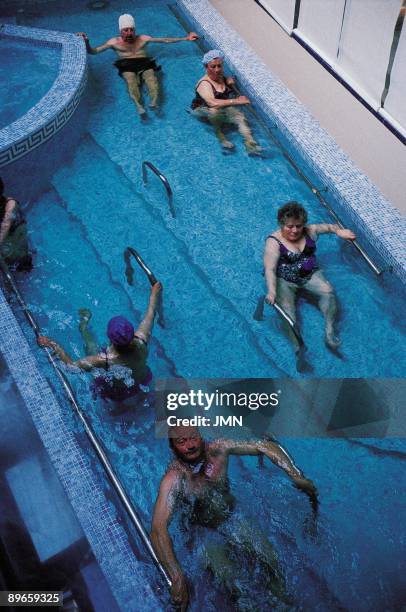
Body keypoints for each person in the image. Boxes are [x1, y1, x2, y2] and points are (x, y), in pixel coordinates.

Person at [151, 424, 317, 610]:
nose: (190, 445)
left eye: (193, 437)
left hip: (231, 517)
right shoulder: (174, 479)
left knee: (271, 560)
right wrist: (176, 575)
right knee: (233, 583)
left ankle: (284, 603)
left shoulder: (218, 450)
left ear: (200, 436)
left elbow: (267, 446)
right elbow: (158, 529)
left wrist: (295, 475)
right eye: (181, 442)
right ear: (172, 447)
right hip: (203, 533)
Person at [37, 282, 162, 403]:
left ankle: (84, 327)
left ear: (110, 338)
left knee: (91, 348)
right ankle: (139, 400)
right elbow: (151, 312)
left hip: (118, 392)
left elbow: (71, 367)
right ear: (132, 332)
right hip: (142, 382)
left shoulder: (105, 360)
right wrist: (154, 293)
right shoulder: (142, 339)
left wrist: (53, 344)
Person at [263, 201, 356, 351]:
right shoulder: (273, 242)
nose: (294, 230)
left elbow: (329, 227)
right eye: (289, 226)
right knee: (288, 312)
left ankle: (329, 330)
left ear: (303, 224)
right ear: (281, 224)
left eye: (298, 226)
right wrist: (272, 292)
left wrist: (339, 231)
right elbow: (270, 269)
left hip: (310, 273)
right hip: (285, 280)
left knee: (328, 292)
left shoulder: (310, 231)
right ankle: (297, 346)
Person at [77, 14, 198, 116]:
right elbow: (94, 51)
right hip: (126, 64)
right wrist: (87, 42)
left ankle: (154, 101)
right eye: (126, 30)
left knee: (152, 79)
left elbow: (165, 40)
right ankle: (138, 105)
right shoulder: (114, 42)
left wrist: (186, 38)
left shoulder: (143, 38)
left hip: (144, 62)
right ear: (120, 31)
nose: (129, 33)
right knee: (131, 81)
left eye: (132, 30)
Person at [191, 50, 261, 154]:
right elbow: (212, 103)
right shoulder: (204, 84)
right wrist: (237, 101)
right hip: (202, 109)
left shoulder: (221, 77)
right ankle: (220, 135)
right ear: (206, 67)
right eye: (213, 67)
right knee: (214, 112)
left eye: (219, 66)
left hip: (221, 107)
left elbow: (225, 87)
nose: (217, 70)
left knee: (239, 116)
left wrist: (230, 82)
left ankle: (250, 141)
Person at [0, 177, 32, 272]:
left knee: (20, 258)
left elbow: (6, 223)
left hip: (16, 234)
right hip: (9, 237)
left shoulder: (10, 204)